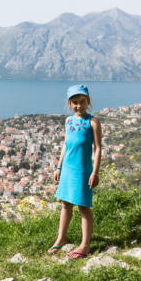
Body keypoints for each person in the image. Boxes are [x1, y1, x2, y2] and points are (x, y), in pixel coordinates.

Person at [47, 84, 102, 259]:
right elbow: (66, 144)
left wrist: (95, 172)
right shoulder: (68, 121)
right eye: (75, 102)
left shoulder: (93, 122)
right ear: (70, 104)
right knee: (65, 204)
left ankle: (85, 245)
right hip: (68, 168)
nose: (79, 105)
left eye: (82, 101)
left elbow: (98, 148)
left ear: (88, 101)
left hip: (82, 169)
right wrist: (58, 166)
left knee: (84, 206)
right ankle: (61, 238)